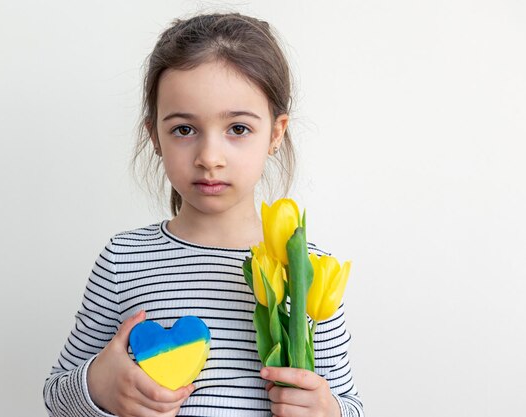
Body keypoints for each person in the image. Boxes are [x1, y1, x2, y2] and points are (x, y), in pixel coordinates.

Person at [43, 12, 364, 417]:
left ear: (276, 133)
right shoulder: (123, 259)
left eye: (238, 129)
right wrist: (99, 385)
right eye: (183, 130)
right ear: (154, 136)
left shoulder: (307, 272)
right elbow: (56, 395)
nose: (209, 158)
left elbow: (350, 403)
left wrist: (328, 411)